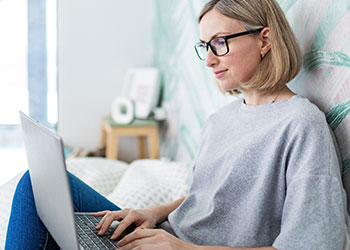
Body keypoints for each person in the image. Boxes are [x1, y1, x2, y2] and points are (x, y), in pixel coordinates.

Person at [5, 0, 348, 249]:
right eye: (205, 46)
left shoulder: (301, 125)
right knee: (36, 185)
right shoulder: (220, 120)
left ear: (264, 40)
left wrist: (184, 249)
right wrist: (154, 213)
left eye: (220, 43)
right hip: (165, 237)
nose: (210, 59)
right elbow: (209, 197)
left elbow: (316, 244)